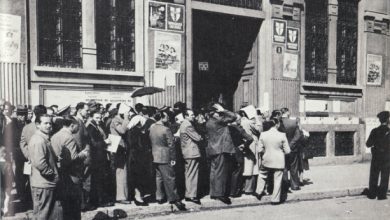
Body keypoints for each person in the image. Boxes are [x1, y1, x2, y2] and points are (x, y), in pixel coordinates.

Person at [51, 116, 88, 220]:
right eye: (78, 126)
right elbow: (73, 158)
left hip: (61, 173)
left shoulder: (55, 135)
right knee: (74, 205)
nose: (78, 128)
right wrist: (83, 154)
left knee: (65, 205)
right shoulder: (69, 137)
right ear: (72, 125)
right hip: (71, 175)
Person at [149, 111, 186, 211]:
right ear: (161, 117)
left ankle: (159, 197)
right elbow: (171, 145)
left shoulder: (152, 128)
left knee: (159, 177)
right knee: (170, 178)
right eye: (166, 116)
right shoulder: (166, 129)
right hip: (165, 156)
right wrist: (173, 158)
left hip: (155, 155)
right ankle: (174, 198)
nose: (168, 118)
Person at [28, 114, 62, 220]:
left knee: (50, 215)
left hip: (47, 184)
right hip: (43, 184)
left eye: (50, 123)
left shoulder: (43, 139)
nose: (49, 126)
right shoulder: (38, 140)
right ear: (38, 125)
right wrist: (52, 175)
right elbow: (40, 163)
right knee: (42, 215)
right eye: (45, 123)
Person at [205, 103, 236, 204]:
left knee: (213, 172)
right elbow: (233, 116)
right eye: (217, 113)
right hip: (220, 149)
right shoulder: (219, 121)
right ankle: (220, 194)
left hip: (212, 149)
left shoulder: (209, 122)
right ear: (214, 113)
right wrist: (222, 110)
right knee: (220, 172)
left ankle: (213, 192)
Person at [255, 118, 291, 204]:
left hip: (266, 159)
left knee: (262, 174)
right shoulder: (282, 135)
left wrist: (266, 151)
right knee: (277, 179)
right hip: (279, 160)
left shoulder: (263, 134)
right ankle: (275, 199)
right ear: (277, 124)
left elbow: (259, 150)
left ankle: (258, 191)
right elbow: (288, 151)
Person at [87, 111, 114, 207]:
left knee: (101, 178)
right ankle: (99, 201)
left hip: (102, 155)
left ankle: (99, 199)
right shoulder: (91, 128)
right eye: (96, 118)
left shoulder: (98, 126)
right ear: (91, 117)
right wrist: (105, 142)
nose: (99, 120)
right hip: (96, 157)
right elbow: (94, 143)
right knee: (98, 179)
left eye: (100, 118)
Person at [73, 102, 94, 211]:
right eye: (86, 110)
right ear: (80, 110)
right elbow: (79, 141)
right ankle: (83, 204)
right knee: (84, 181)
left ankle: (83, 203)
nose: (88, 112)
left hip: (85, 157)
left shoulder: (81, 122)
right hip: (83, 157)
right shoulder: (78, 122)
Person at [365, 111, 390, 200]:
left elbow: (368, 144)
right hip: (387, 158)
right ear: (387, 120)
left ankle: (372, 194)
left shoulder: (374, 131)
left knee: (373, 175)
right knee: (385, 176)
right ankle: (382, 195)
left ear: (380, 120)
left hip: (376, 157)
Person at [180, 109, 203, 204]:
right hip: (192, 152)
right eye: (191, 115)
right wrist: (201, 136)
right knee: (192, 174)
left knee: (189, 174)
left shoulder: (183, 124)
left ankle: (189, 194)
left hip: (187, 152)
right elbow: (197, 138)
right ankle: (191, 195)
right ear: (186, 116)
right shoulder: (188, 125)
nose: (193, 116)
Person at [228, 113, 253, 197]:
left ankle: (228, 190)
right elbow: (250, 138)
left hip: (227, 151)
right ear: (237, 120)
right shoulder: (239, 129)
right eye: (240, 119)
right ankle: (234, 191)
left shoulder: (226, 128)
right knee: (237, 171)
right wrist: (244, 145)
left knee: (229, 171)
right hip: (237, 150)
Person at [110, 104, 131, 204]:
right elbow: (122, 130)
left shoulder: (119, 120)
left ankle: (124, 195)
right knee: (121, 172)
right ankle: (121, 196)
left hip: (122, 148)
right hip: (118, 148)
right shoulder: (116, 120)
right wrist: (126, 118)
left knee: (123, 172)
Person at [280, 107, 301, 191]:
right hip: (293, 148)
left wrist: (285, 146)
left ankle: (285, 186)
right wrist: (290, 145)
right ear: (287, 112)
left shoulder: (279, 122)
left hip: (281, 149)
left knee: (284, 167)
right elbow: (297, 136)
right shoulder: (293, 122)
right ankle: (295, 185)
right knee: (294, 166)